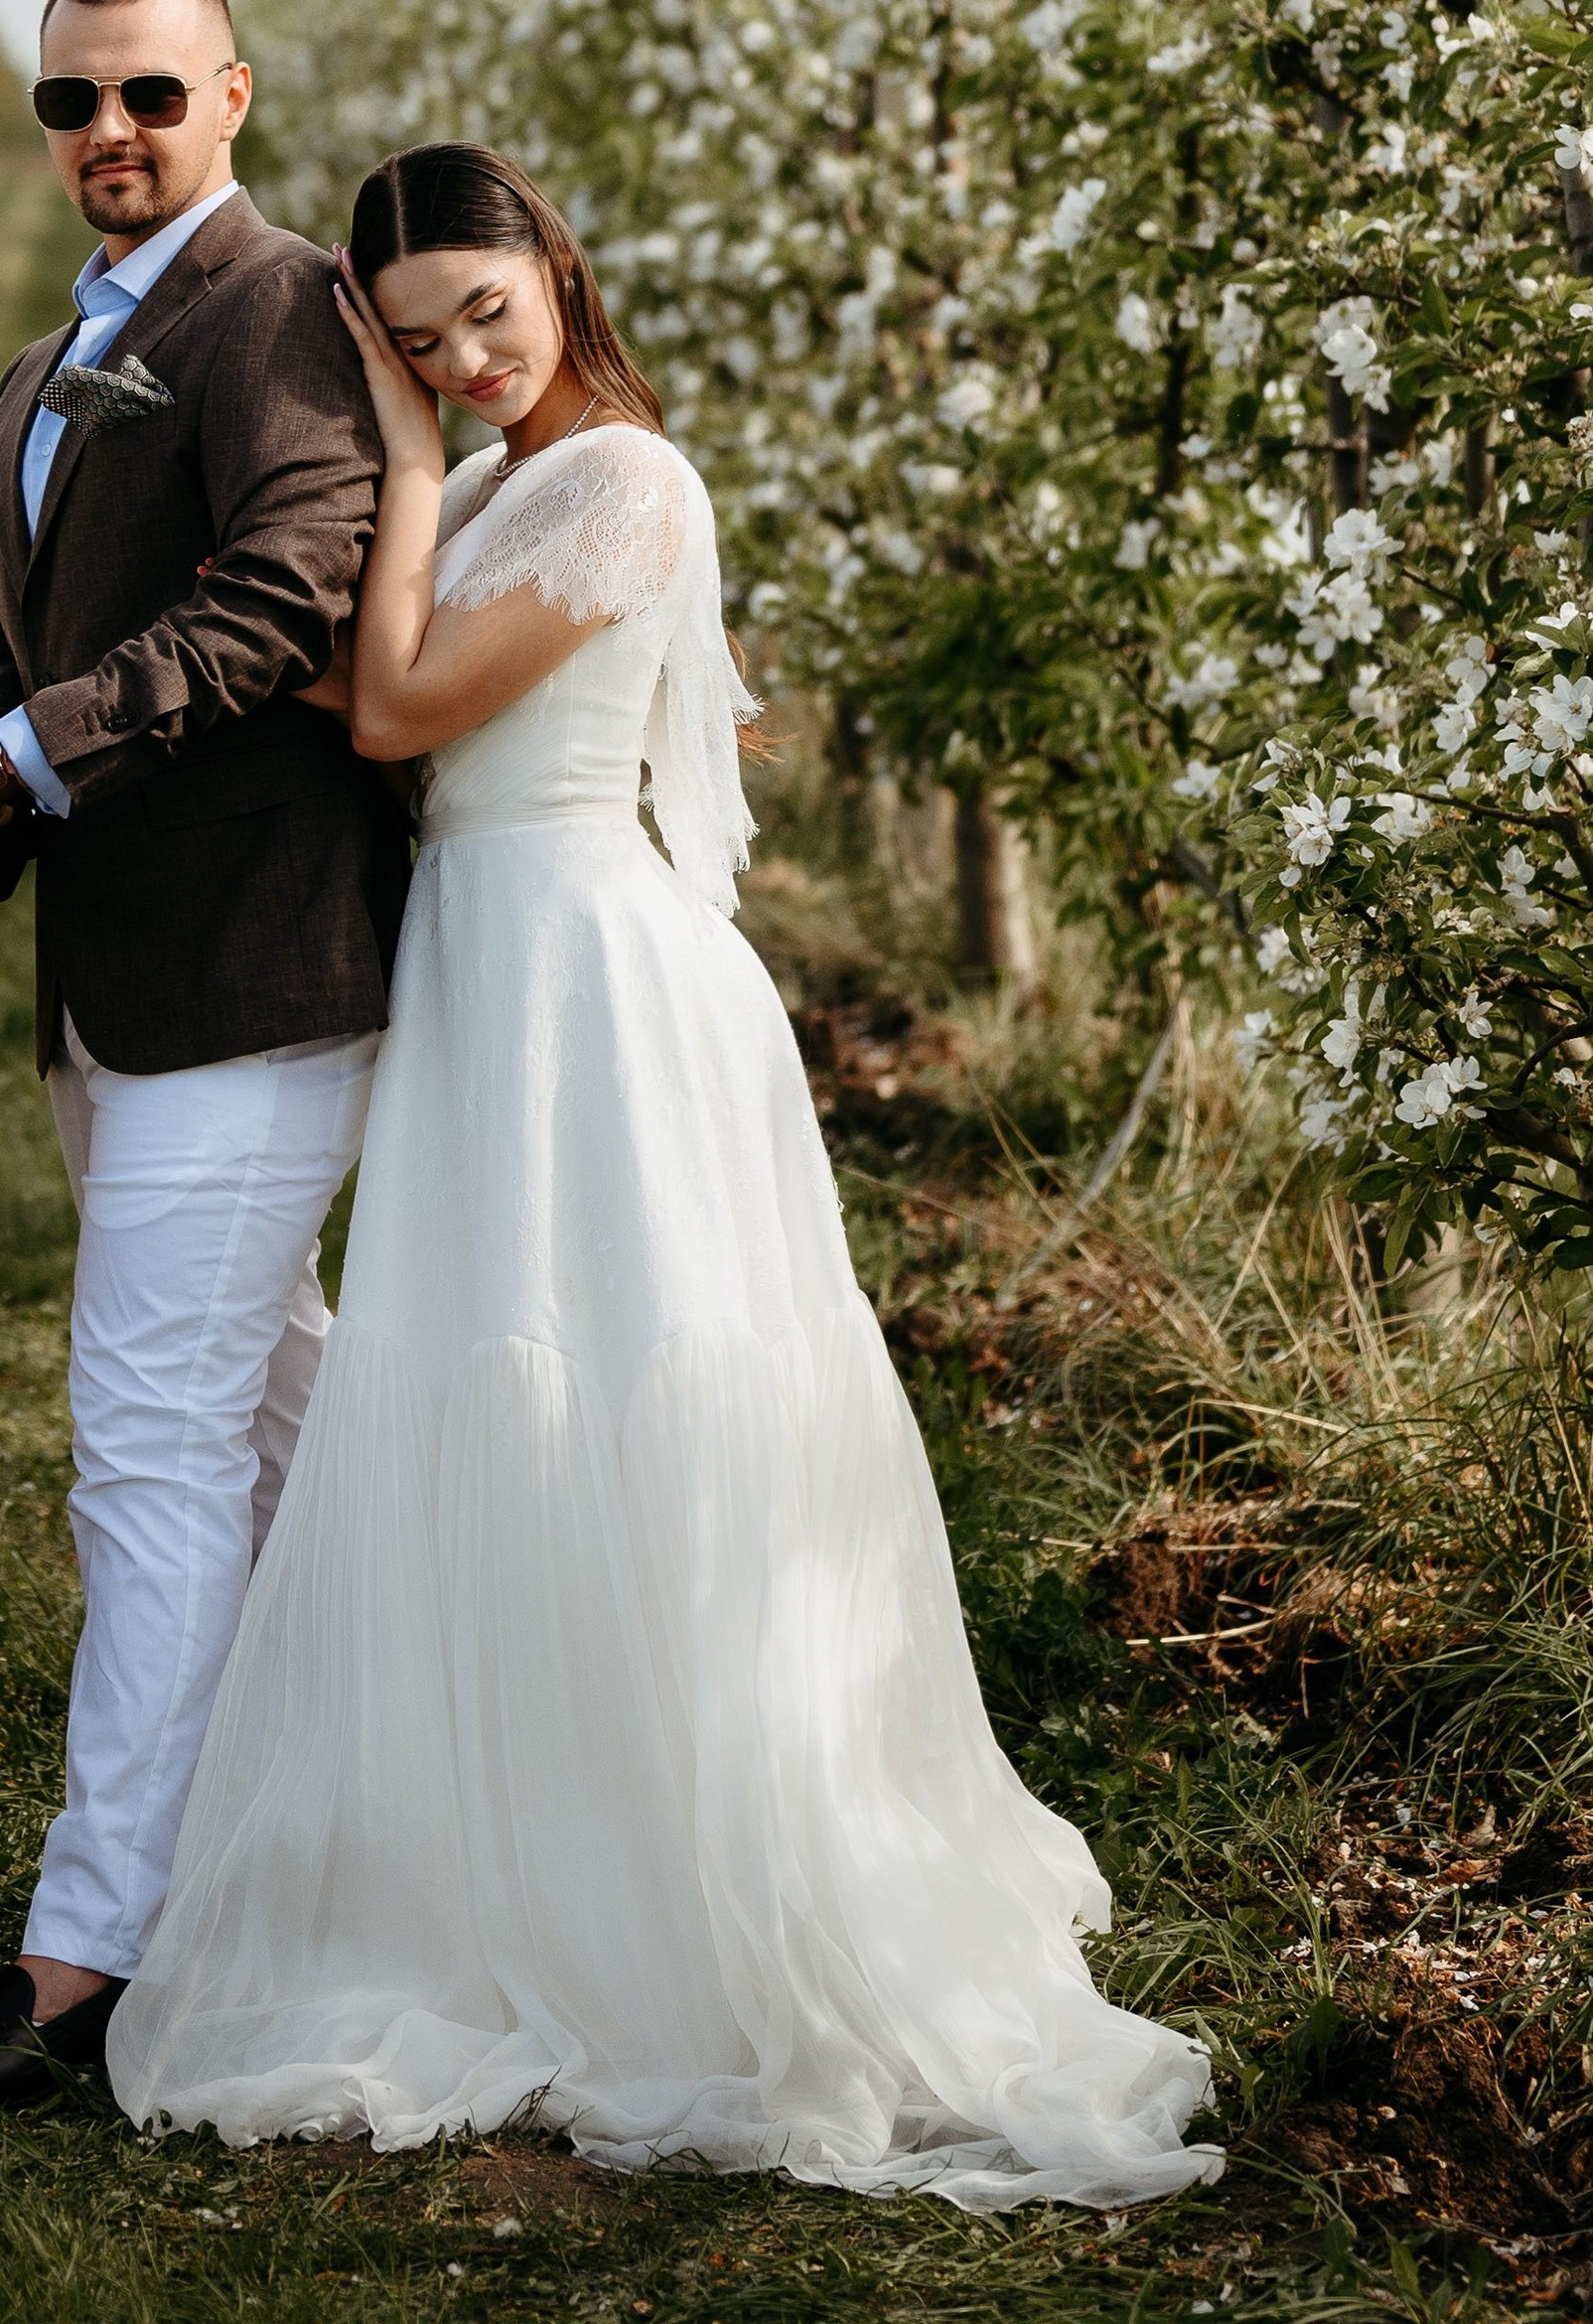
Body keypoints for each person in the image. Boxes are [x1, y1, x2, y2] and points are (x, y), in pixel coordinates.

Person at [107, 141, 1221, 2206]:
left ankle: (687, 1873)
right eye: (412, 335)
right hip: (489, 974)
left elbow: (393, 704)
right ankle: (524, 1845)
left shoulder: (623, 477)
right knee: (496, 1391)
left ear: (552, 269)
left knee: (619, 1382)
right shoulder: (527, 469)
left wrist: (390, 442)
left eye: (479, 316)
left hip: (587, 985)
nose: (455, 356)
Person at [0, 0, 410, 2114]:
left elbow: (279, 592)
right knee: (284, 1429)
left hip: (254, 979)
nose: (108, 137)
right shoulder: (50, 355)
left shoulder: (272, 310)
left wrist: (5, 771)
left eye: (150, 100)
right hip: (127, 985)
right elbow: (29, 624)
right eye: (68, 104)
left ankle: (93, 1966)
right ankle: (366, 1827)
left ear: (234, 99)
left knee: (148, 1459)